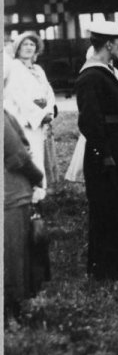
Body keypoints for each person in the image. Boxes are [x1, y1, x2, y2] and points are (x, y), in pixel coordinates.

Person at [74, 20, 118, 280]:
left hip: (115, 149)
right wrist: (105, 153)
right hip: (104, 154)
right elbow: (89, 121)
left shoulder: (104, 71)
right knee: (105, 209)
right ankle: (104, 269)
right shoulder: (91, 75)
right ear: (108, 44)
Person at [4, 109, 49, 315]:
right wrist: (37, 176)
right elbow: (17, 155)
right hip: (11, 194)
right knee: (14, 255)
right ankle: (12, 310)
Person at [4, 32, 56, 186]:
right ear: (18, 48)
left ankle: (41, 192)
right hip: (24, 121)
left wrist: (48, 110)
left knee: (40, 155)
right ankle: (32, 195)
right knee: (31, 156)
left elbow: (49, 93)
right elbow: (18, 96)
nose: (28, 47)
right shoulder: (14, 68)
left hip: (41, 120)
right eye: (24, 44)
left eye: (32, 44)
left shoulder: (38, 70)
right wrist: (39, 114)